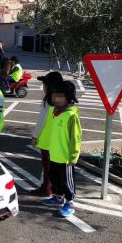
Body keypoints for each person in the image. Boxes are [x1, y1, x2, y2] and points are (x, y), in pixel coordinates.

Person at [42, 80, 81, 217]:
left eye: (60, 96)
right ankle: (58, 197)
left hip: (65, 158)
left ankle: (70, 203)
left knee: (67, 182)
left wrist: (73, 156)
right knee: (55, 178)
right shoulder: (55, 112)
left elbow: (75, 138)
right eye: (55, 96)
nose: (55, 99)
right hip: (54, 154)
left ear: (68, 98)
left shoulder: (71, 115)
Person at [31, 72, 64, 197]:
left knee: (47, 166)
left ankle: (46, 189)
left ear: (50, 85)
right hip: (57, 140)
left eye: (44, 84)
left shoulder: (48, 101)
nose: (43, 87)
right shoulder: (62, 100)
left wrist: (34, 136)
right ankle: (48, 188)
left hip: (46, 140)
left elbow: (41, 121)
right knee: (52, 167)